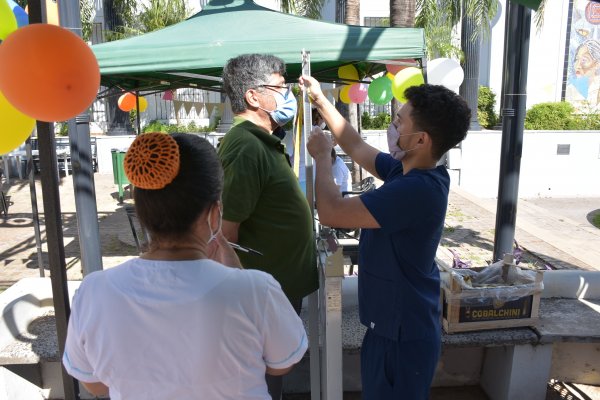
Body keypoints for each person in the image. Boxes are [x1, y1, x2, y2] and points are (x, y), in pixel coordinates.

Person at [62, 133, 307, 400]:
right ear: (215, 213)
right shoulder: (256, 289)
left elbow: (94, 385)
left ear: (142, 211)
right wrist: (239, 278)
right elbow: (282, 363)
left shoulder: (94, 292)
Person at [300, 76, 470, 399]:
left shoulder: (417, 190)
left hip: (404, 336)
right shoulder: (404, 170)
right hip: (388, 328)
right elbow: (357, 146)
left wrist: (323, 157)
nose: (393, 126)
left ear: (421, 140)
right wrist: (320, 99)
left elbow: (333, 212)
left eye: (399, 121)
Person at [218, 54, 318, 400]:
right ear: (253, 97)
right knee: (261, 383)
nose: (287, 94)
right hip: (259, 300)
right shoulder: (246, 146)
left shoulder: (261, 143)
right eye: (280, 87)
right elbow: (225, 235)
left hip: (274, 292)